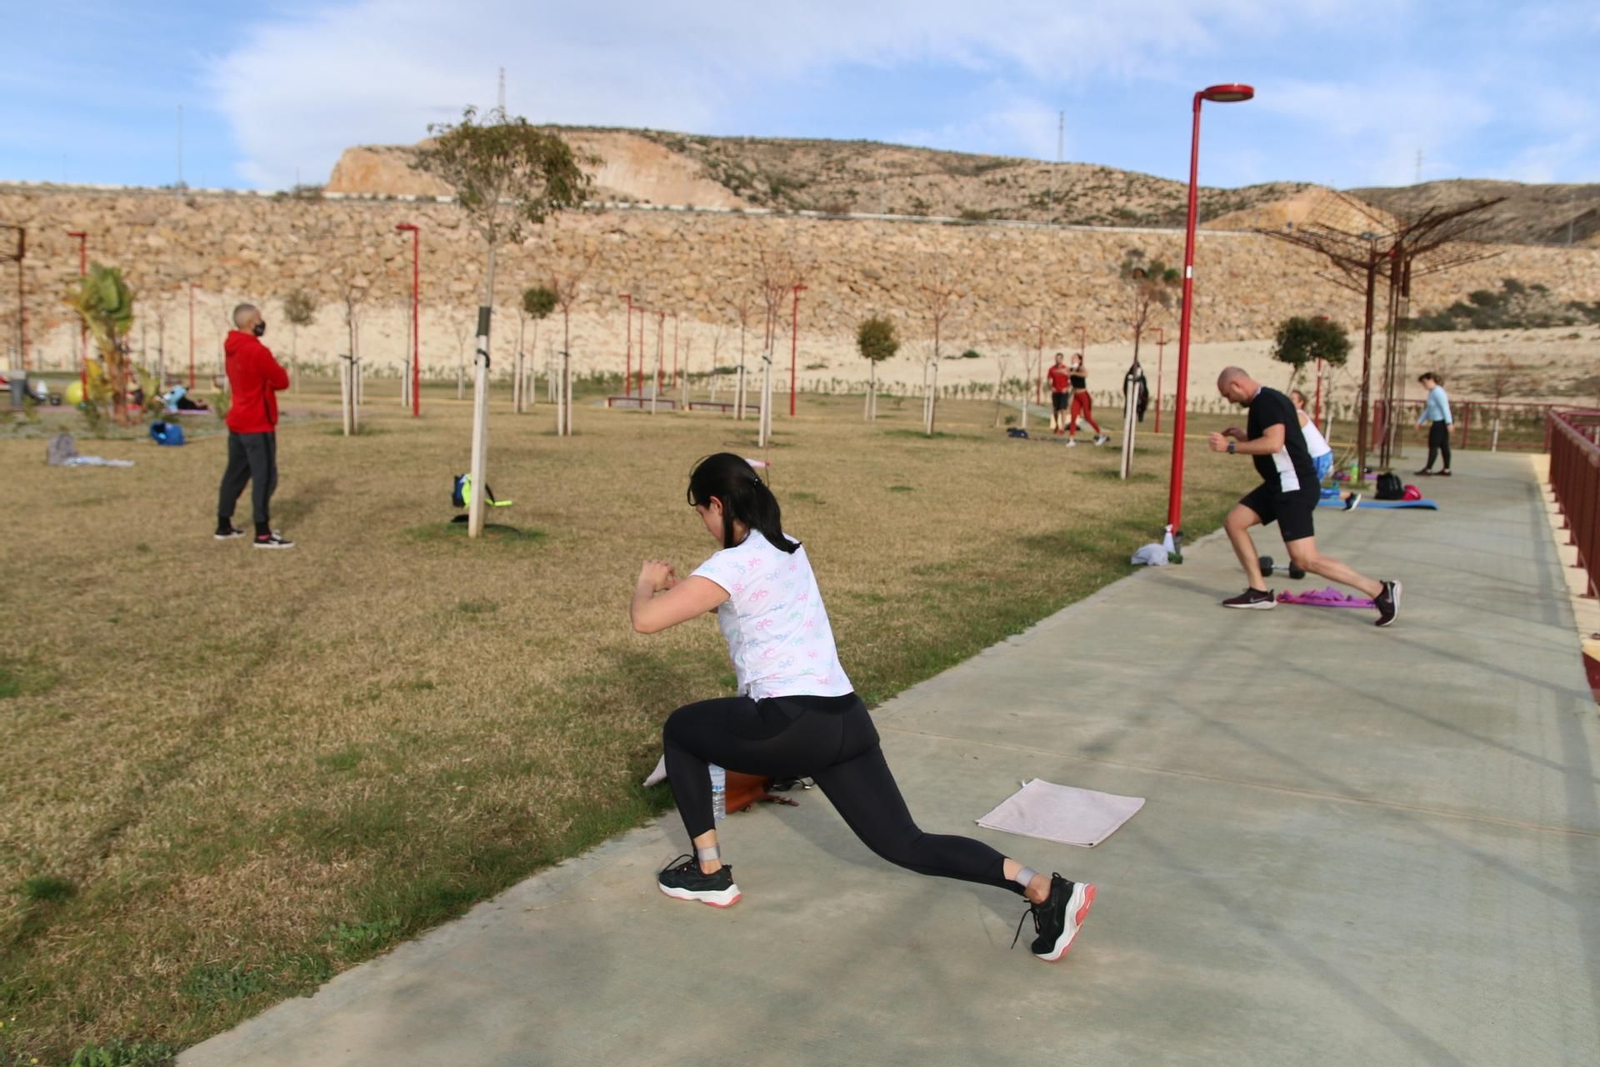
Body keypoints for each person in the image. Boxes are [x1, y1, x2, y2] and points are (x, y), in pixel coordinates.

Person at [631, 453, 1096, 962]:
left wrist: (646, 583)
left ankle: (709, 873)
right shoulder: (787, 550)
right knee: (906, 843)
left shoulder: (731, 563)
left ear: (717, 504)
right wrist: (684, 590)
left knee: (681, 730)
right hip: (845, 720)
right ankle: (1044, 891)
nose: (703, 522)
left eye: (701, 511)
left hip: (788, 725)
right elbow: (744, 599)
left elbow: (647, 621)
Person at [1208, 367, 1399, 625]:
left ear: (1236, 384)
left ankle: (1379, 590)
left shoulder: (1266, 401)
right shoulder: (1268, 400)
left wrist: (1230, 446)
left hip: (1293, 484)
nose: (1228, 400)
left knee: (1305, 558)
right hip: (1280, 482)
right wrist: (1246, 437)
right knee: (1235, 521)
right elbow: (1278, 442)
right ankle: (1259, 592)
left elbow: (1273, 443)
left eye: (1226, 394)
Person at [215, 303, 293, 548]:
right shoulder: (256, 350)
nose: (262, 322)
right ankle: (262, 533)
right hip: (257, 423)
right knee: (265, 477)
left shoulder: (231, 348)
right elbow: (281, 380)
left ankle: (223, 524)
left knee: (235, 473)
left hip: (237, 419)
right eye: (259, 319)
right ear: (250, 323)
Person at [1289, 389, 1359, 511]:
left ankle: (1349, 496)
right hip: (1318, 456)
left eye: (1292, 399)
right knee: (1303, 485)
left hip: (1319, 456)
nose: (1288, 401)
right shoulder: (1295, 415)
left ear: (1301, 403)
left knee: (1310, 488)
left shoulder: (1298, 415)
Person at [1065, 354, 1109, 447]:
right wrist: (1069, 396)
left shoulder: (1081, 368)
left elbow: (1085, 374)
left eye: (1075, 358)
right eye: (1072, 358)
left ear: (1080, 360)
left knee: (1088, 417)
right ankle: (1071, 439)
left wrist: (1074, 373)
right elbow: (1072, 384)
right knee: (1073, 417)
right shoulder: (1070, 369)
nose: (1073, 359)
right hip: (1076, 396)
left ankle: (1101, 435)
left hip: (1084, 395)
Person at [1414, 372, 1453, 477]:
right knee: (1443, 445)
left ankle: (1429, 468)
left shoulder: (1438, 392)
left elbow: (1445, 407)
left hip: (1440, 422)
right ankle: (1446, 469)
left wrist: (1449, 422)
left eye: (1425, 382)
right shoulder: (1432, 393)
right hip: (1438, 421)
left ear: (1431, 380)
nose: (1424, 385)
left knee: (1434, 445)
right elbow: (1429, 409)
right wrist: (1420, 421)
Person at [1046, 353, 1073, 435]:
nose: (1058, 360)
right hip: (1055, 392)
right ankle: (1057, 425)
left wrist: (1067, 387)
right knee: (1055, 410)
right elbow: (1049, 380)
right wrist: (1051, 387)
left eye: (1059, 358)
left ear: (1062, 359)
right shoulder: (1052, 369)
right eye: (1057, 358)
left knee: (1063, 409)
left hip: (1063, 392)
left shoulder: (1066, 369)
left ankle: (1063, 427)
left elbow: (1071, 380)